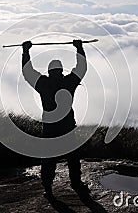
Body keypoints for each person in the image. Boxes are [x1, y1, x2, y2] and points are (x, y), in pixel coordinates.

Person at [21, 39, 89, 198]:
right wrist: (79, 48)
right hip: (67, 127)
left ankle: (48, 188)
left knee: (48, 158)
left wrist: (25, 51)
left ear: (49, 71)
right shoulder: (69, 82)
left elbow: (27, 72)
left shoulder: (43, 83)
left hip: (50, 127)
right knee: (73, 157)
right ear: (61, 70)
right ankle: (76, 183)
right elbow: (82, 68)